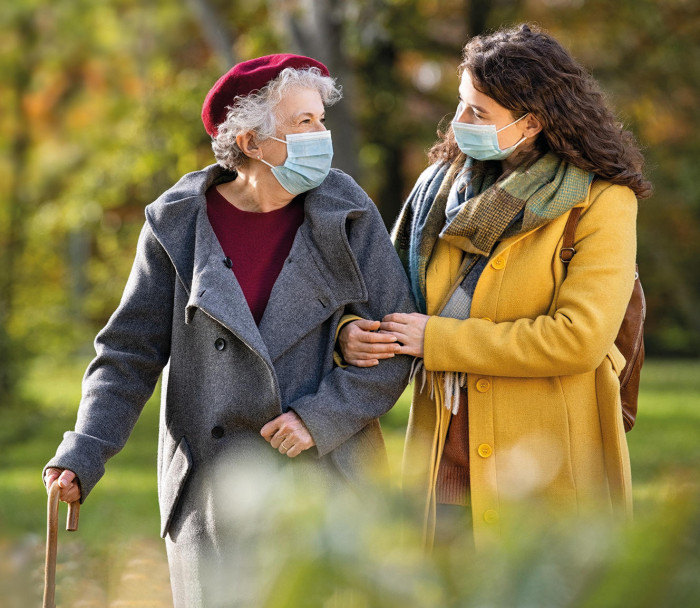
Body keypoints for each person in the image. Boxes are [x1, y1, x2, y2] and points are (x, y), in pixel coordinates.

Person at [43, 54, 415, 606]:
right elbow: (128, 353)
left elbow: (395, 340)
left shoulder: (347, 210)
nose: (322, 136)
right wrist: (85, 449)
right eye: (303, 123)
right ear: (250, 142)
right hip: (211, 493)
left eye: (321, 119)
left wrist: (321, 417)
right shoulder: (177, 224)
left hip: (328, 481)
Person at [338, 24, 652, 548]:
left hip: (546, 470)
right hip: (442, 464)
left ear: (530, 123)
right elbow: (382, 295)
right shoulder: (439, 192)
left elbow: (578, 338)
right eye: (461, 105)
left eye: (478, 113)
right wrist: (352, 332)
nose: (459, 123)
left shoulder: (602, 202)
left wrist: (437, 341)